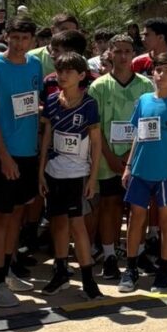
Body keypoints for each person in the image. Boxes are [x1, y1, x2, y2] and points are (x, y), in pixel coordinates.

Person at [0, 18, 43, 307]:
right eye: (14, 37)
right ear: (6, 36)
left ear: (32, 40)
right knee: (0, 218)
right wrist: (4, 157)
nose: (19, 43)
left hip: (28, 153)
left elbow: (33, 104)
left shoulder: (35, 65)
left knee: (17, 214)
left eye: (24, 38)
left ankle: (7, 269)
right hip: (0, 152)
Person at [119, 52, 167, 293]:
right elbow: (137, 136)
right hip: (140, 171)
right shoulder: (143, 100)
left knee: (166, 221)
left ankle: (163, 269)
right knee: (136, 219)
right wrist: (128, 167)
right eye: (158, 70)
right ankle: (131, 268)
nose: (161, 75)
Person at [88, 34, 154, 281]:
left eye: (127, 51)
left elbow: (149, 124)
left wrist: (129, 156)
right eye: (118, 51)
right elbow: (94, 128)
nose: (123, 56)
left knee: (138, 208)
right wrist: (110, 157)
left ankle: (138, 252)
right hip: (107, 160)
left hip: (137, 158)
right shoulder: (98, 87)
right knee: (110, 206)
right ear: (110, 54)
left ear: (133, 53)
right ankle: (109, 256)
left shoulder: (146, 86)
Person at [38, 53, 103, 299]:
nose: (62, 76)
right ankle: (61, 271)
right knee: (58, 222)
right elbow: (46, 136)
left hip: (77, 174)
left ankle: (88, 280)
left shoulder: (89, 104)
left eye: (68, 72)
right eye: (59, 71)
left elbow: (96, 143)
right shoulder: (52, 100)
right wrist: (41, 172)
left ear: (81, 75)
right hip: (53, 172)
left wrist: (93, 178)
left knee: (77, 224)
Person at [28, 12, 80, 77]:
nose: (68, 34)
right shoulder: (32, 56)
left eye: (72, 31)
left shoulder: (79, 59)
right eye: (64, 29)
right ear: (52, 30)